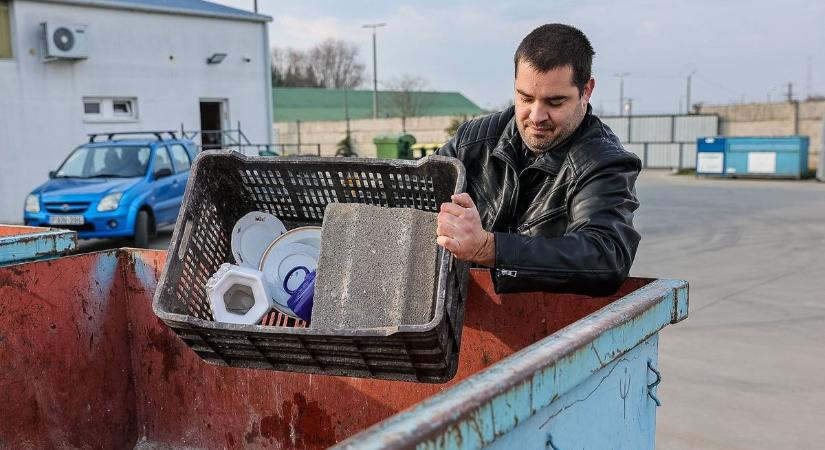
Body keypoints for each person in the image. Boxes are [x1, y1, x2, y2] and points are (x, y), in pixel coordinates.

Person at [436, 24, 641, 296]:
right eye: (525, 98)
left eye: (555, 102)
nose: (536, 116)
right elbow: (416, 201)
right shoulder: (471, 141)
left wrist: (490, 248)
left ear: (587, 90)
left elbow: (604, 257)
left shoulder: (604, 162)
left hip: (554, 328)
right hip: (466, 320)